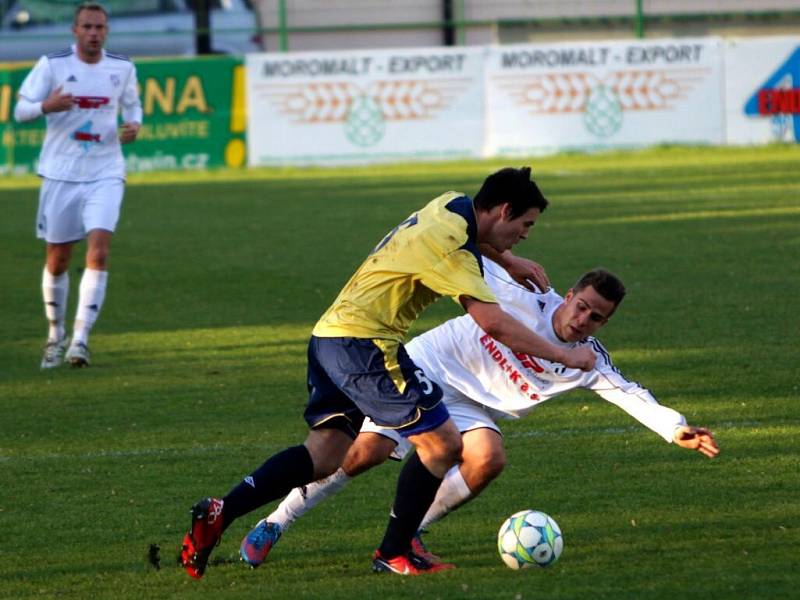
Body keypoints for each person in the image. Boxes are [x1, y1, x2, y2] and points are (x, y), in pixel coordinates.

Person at [179, 167, 598, 579]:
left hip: (329, 336)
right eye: (525, 225)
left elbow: (476, 239)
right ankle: (394, 552)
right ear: (504, 210)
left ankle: (222, 511)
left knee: (323, 456)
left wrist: (507, 259)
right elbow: (494, 323)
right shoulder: (454, 250)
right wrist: (566, 357)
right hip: (367, 345)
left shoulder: (450, 204)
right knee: (443, 445)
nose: (525, 234)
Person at [240, 259, 720, 566]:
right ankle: (276, 522)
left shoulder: (588, 360)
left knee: (488, 458)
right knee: (366, 452)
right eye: (581, 307)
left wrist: (674, 428)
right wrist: (510, 257)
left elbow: (629, 392)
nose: (583, 320)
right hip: (427, 368)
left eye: (596, 317)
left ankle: (409, 536)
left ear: (604, 322)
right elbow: (469, 252)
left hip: (470, 404)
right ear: (569, 296)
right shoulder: (519, 295)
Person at [14, 2, 142, 368]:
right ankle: (56, 335)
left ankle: (81, 340)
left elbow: (133, 107)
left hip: (106, 171)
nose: (94, 33)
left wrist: (134, 125)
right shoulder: (53, 64)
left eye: (100, 27)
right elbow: (20, 110)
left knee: (99, 249)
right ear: (75, 31)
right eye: (87, 26)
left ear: (107, 30)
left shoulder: (122, 66)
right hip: (60, 173)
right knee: (58, 258)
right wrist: (46, 106)